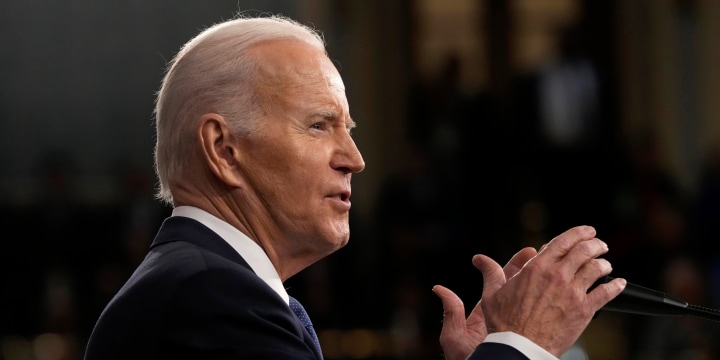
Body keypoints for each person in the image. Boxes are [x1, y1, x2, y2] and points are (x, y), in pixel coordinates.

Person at [83, 14, 627, 360]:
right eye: (319, 125)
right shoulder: (209, 297)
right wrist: (520, 346)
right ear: (224, 150)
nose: (356, 159)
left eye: (350, 130)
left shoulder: (208, 285)